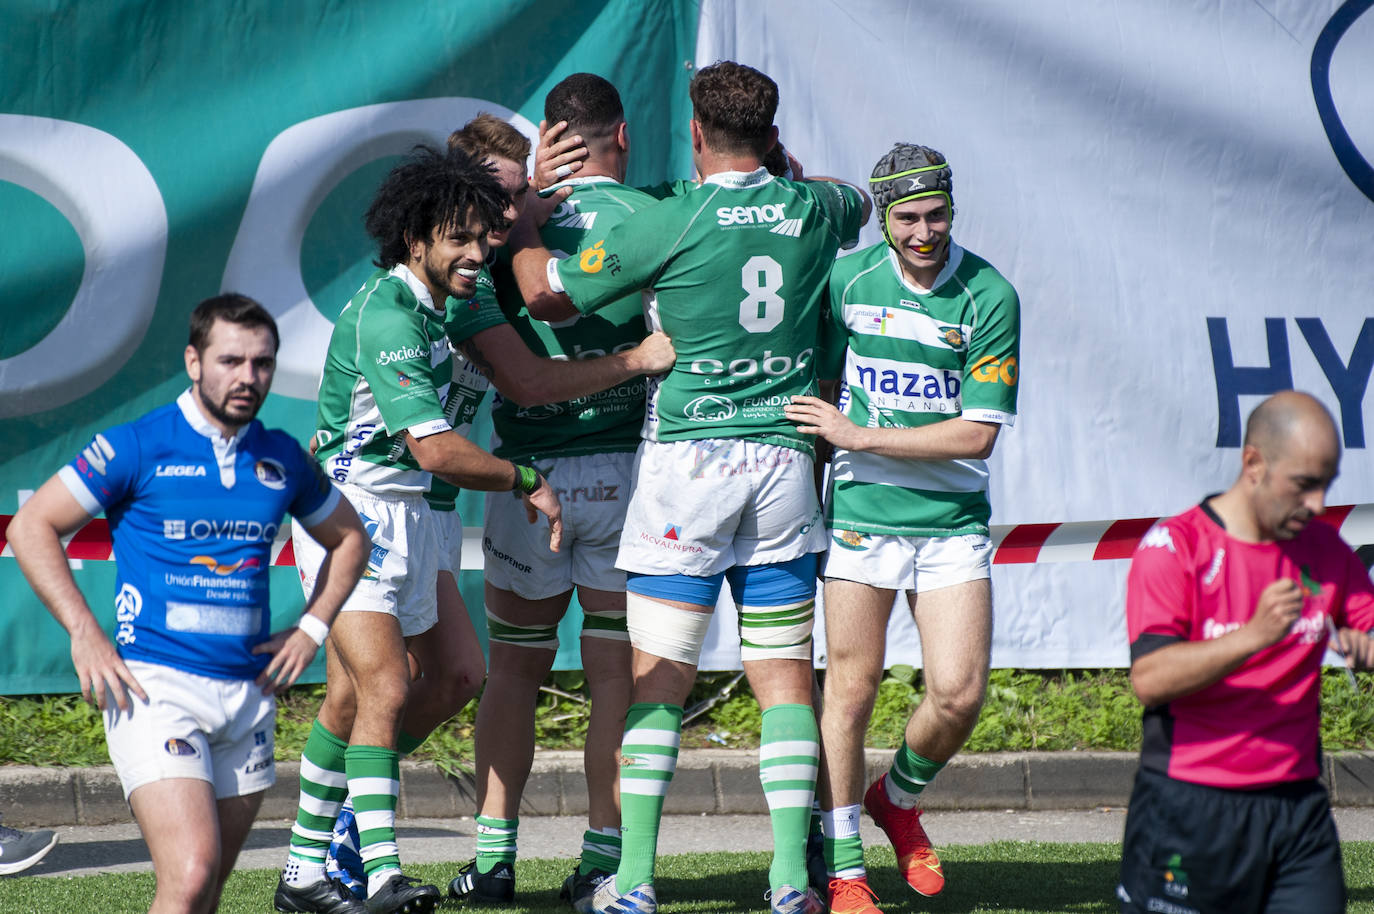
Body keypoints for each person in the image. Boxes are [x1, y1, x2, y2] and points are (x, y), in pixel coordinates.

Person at [511, 60, 870, 914]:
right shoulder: (816, 208)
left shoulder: (669, 219)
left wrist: (527, 214)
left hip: (690, 471)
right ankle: (790, 880)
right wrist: (776, 171)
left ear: (696, 134)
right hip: (785, 464)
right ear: (772, 135)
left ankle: (633, 880)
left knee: (659, 679)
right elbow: (854, 197)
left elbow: (546, 297)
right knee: (784, 677)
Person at [8, 295, 369, 914]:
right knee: (192, 874)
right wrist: (84, 633)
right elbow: (30, 527)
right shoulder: (136, 445)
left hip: (248, 700)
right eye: (231, 360)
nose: (247, 377)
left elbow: (351, 538)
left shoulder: (282, 456)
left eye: (262, 363)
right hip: (155, 691)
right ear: (193, 361)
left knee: (202, 894)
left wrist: (312, 627)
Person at [784, 143, 1020, 913]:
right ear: (883, 218)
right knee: (848, 693)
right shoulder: (847, 281)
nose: (925, 233)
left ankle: (899, 797)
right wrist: (832, 457)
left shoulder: (989, 294)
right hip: (859, 517)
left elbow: (976, 435)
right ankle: (848, 867)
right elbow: (820, 385)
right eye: (908, 218)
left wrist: (860, 437)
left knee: (958, 693)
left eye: (937, 214)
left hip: (951, 520)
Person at [447, 74, 659, 911]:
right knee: (616, 678)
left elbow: (526, 311)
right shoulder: (660, 214)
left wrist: (527, 206)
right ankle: (604, 862)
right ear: (625, 138)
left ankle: (494, 861)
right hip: (627, 474)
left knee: (514, 672)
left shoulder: (493, 232)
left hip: (532, 477)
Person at [1116, 391, 1374, 914]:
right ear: (1253, 463)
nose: (1318, 504)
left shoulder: (1325, 551)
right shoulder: (1176, 547)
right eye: (1303, 485)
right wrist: (1252, 636)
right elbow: (1150, 678)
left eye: (1326, 485)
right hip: (1189, 807)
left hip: (1298, 809)